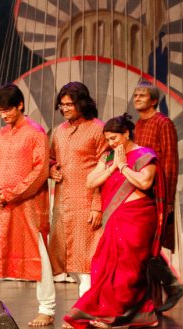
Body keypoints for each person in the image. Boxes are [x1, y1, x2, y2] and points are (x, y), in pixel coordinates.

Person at [63, 113, 167, 329]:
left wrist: (123, 167)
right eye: (108, 139)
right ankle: (142, 314)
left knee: (130, 268)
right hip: (115, 218)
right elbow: (91, 181)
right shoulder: (109, 157)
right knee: (105, 265)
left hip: (138, 218)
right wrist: (112, 166)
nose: (110, 144)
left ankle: (114, 315)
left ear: (126, 133)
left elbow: (145, 182)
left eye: (114, 139)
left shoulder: (145, 155)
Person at [0, 83, 54, 327]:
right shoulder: (2, 134)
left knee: (37, 253)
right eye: (0, 111)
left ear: (20, 105)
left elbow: (40, 171)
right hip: (1, 203)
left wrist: (12, 193)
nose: (3, 115)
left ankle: (47, 308)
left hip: (27, 205)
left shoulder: (35, 133)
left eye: (7, 110)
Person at [48, 82, 107, 308]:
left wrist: (97, 205)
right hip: (63, 204)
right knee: (68, 259)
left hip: (87, 202)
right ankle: (85, 308)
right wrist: (51, 169)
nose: (65, 109)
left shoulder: (98, 129)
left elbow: (105, 170)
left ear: (82, 103)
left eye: (70, 104)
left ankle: (86, 310)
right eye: (62, 105)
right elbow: (51, 159)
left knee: (86, 261)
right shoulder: (59, 131)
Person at [132, 81, 183, 312]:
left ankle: (172, 285)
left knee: (149, 245)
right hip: (138, 193)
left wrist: (169, 200)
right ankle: (150, 302)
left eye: (142, 95)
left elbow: (171, 162)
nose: (137, 98)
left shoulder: (163, 123)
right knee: (141, 246)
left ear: (154, 100)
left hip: (157, 193)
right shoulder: (136, 126)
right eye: (135, 95)